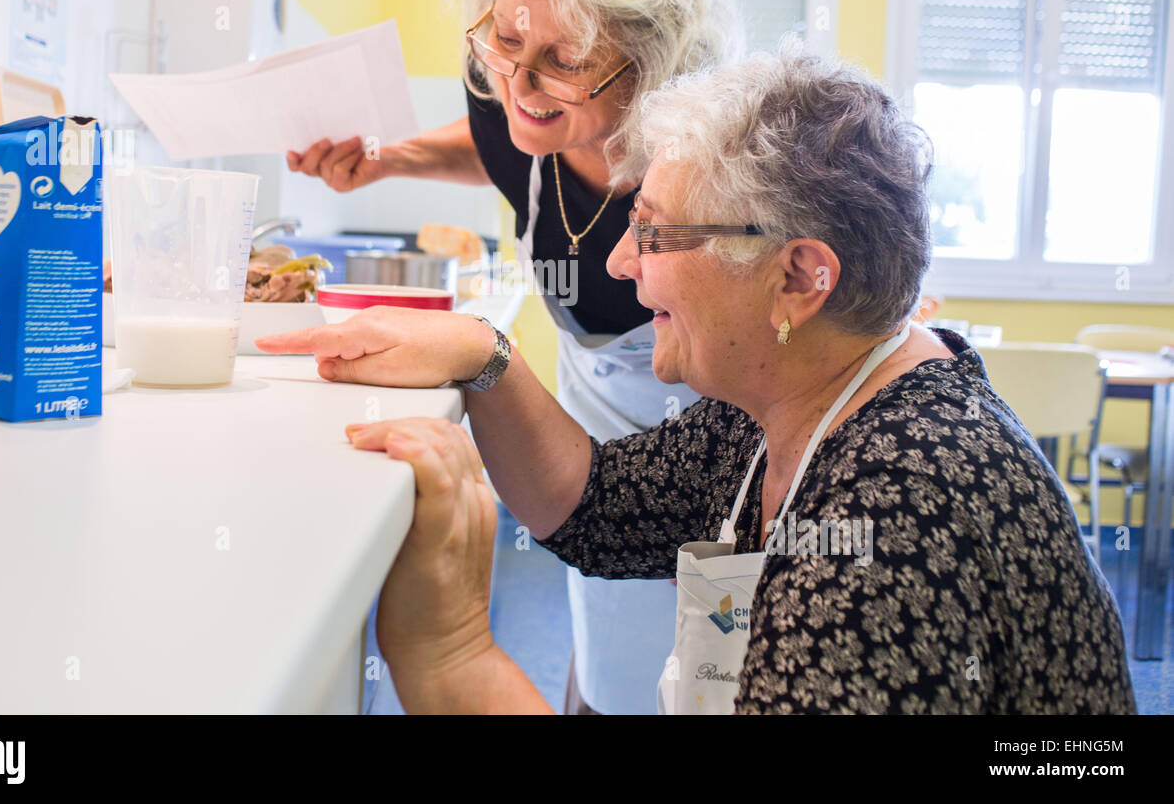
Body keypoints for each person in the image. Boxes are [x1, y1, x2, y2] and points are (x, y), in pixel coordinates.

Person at [260, 48, 1137, 713]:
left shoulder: (892, 521)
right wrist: (481, 354)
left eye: (656, 235)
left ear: (798, 276)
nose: (619, 261)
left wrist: (451, 655)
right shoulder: (804, 396)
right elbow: (597, 506)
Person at [284, 0, 737, 714]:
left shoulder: (709, 181)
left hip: (710, 457)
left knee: (696, 684)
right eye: (503, 41)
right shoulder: (510, 93)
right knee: (603, 654)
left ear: (649, 61)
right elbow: (501, 138)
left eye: (564, 62)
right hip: (588, 434)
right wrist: (397, 156)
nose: (519, 86)